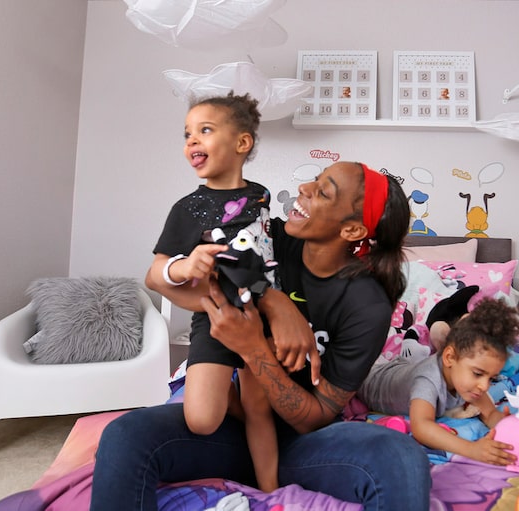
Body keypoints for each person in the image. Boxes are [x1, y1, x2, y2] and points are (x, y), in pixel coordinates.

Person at [90, 161, 431, 511]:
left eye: (323, 191)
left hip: (306, 444)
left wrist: (254, 351)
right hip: (230, 430)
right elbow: (159, 279)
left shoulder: (366, 306)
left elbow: (317, 415)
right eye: (315, 180)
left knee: (400, 457)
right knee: (124, 435)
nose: (304, 189)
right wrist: (273, 300)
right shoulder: (265, 238)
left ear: (352, 231)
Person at [144, 92, 282, 491]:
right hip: (216, 320)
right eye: (187, 134)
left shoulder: (261, 196)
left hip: (260, 320)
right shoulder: (187, 208)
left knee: (262, 410)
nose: (192, 141)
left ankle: (270, 492)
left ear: (242, 143)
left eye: (204, 130)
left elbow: (265, 255)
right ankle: (222, 387)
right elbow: (156, 271)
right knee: (202, 419)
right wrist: (186, 267)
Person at [357, 297, 519, 466]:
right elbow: (421, 426)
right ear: (450, 357)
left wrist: (507, 426)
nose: (485, 385)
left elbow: (490, 414)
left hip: (403, 369)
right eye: (478, 373)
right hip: (369, 377)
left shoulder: (468, 380)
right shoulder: (428, 381)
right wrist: (472, 449)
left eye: (492, 378)